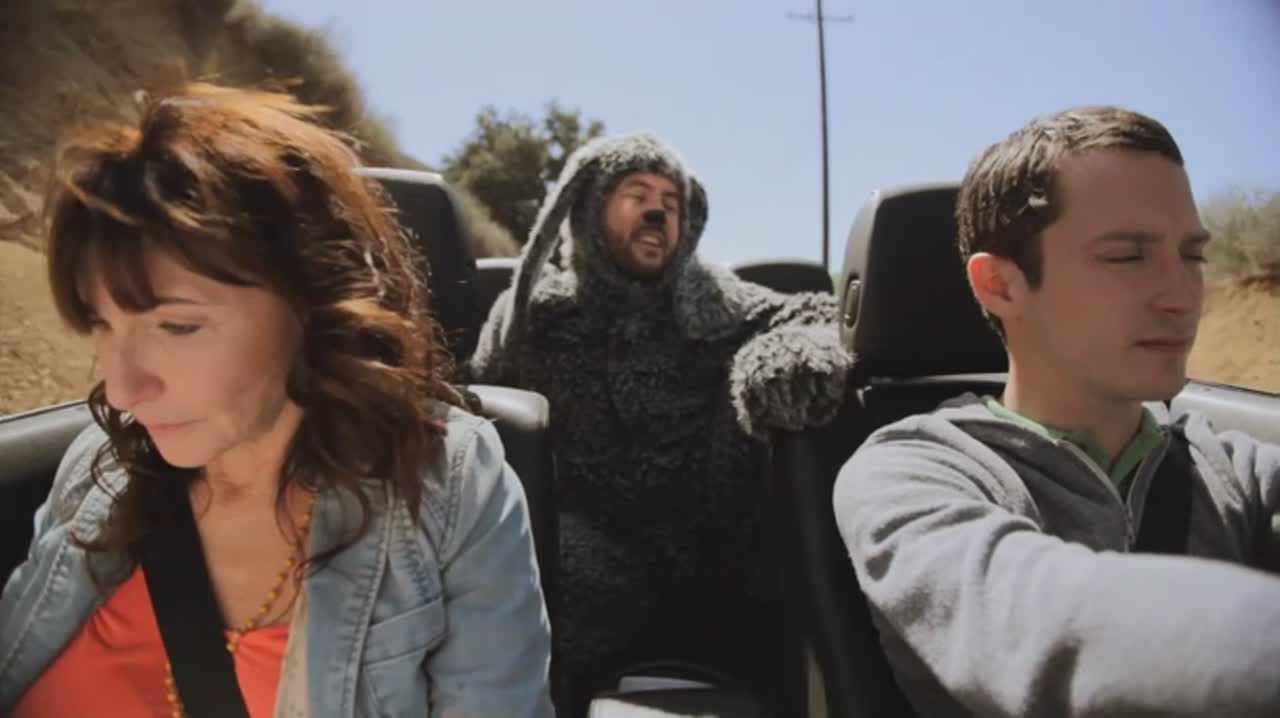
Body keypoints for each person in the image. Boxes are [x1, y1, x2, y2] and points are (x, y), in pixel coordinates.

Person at [0, 83, 554, 718]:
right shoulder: (99, 467)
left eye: (178, 327)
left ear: (313, 304)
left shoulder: (445, 493)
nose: (123, 392)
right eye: (102, 323)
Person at [833, 105, 1280, 718]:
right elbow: (1033, 625)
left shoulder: (1234, 469)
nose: (1182, 296)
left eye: (1193, 256)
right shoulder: (909, 474)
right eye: (1127, 256)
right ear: (1001, 285)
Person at [466, 131, 852, 713]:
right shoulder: (531, 316)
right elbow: (478, 403)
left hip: (719, 561)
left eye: (671, 202)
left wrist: (783, 357)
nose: (657, 212)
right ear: (590, 205)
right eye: (637, 194)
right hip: (585, 562)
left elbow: (814, 314)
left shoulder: (713, 298)